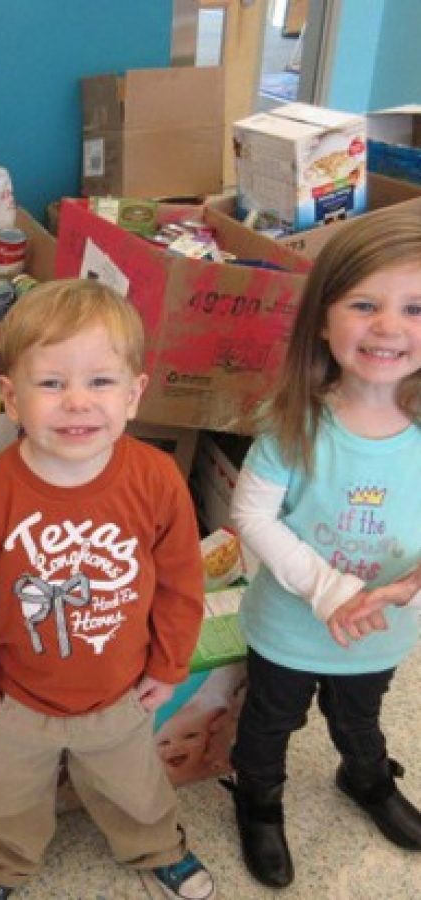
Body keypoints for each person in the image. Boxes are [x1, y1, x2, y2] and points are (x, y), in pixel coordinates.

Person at [0, 279, 216, 900]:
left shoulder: (156, 480)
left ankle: (156, 846)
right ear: (12, 400)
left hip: (119, 692)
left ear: (133, 393)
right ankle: (1, 865)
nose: (76, 402)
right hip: (14, 700)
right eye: (51, 384)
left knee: (136, 787)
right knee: (0, 795)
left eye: (100, 382)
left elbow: (181, 581)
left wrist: (170, 665)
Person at [224, 209, 421, 889]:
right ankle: (259, 800)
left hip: (383, 630)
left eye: (415, 307)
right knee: (270, 721)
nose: (390, 327)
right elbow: (250, 512)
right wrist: (328, 588)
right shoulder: (295, 422)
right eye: (365, 304)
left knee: (360, 713)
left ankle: (363, 776)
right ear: (324, 318)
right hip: (290, 628)